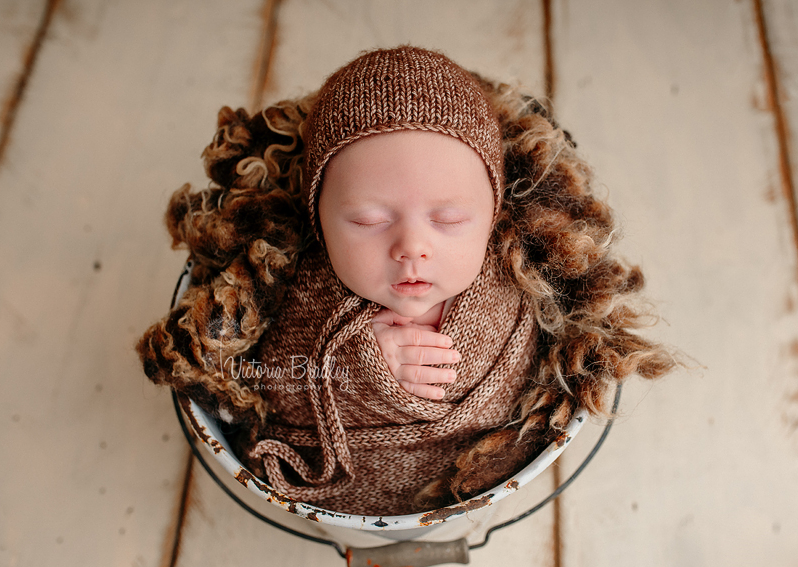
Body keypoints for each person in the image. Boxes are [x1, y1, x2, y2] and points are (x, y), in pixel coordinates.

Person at [137, 46, 674, 515]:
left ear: (494, 213)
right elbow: (257, 380)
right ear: (316, 217)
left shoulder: (520, 282)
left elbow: (540, 380)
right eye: (369, 221)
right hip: (324, 483)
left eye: (449, 220)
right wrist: (347, 366)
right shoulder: (284, 286)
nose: (411, 247)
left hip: (474, 477)